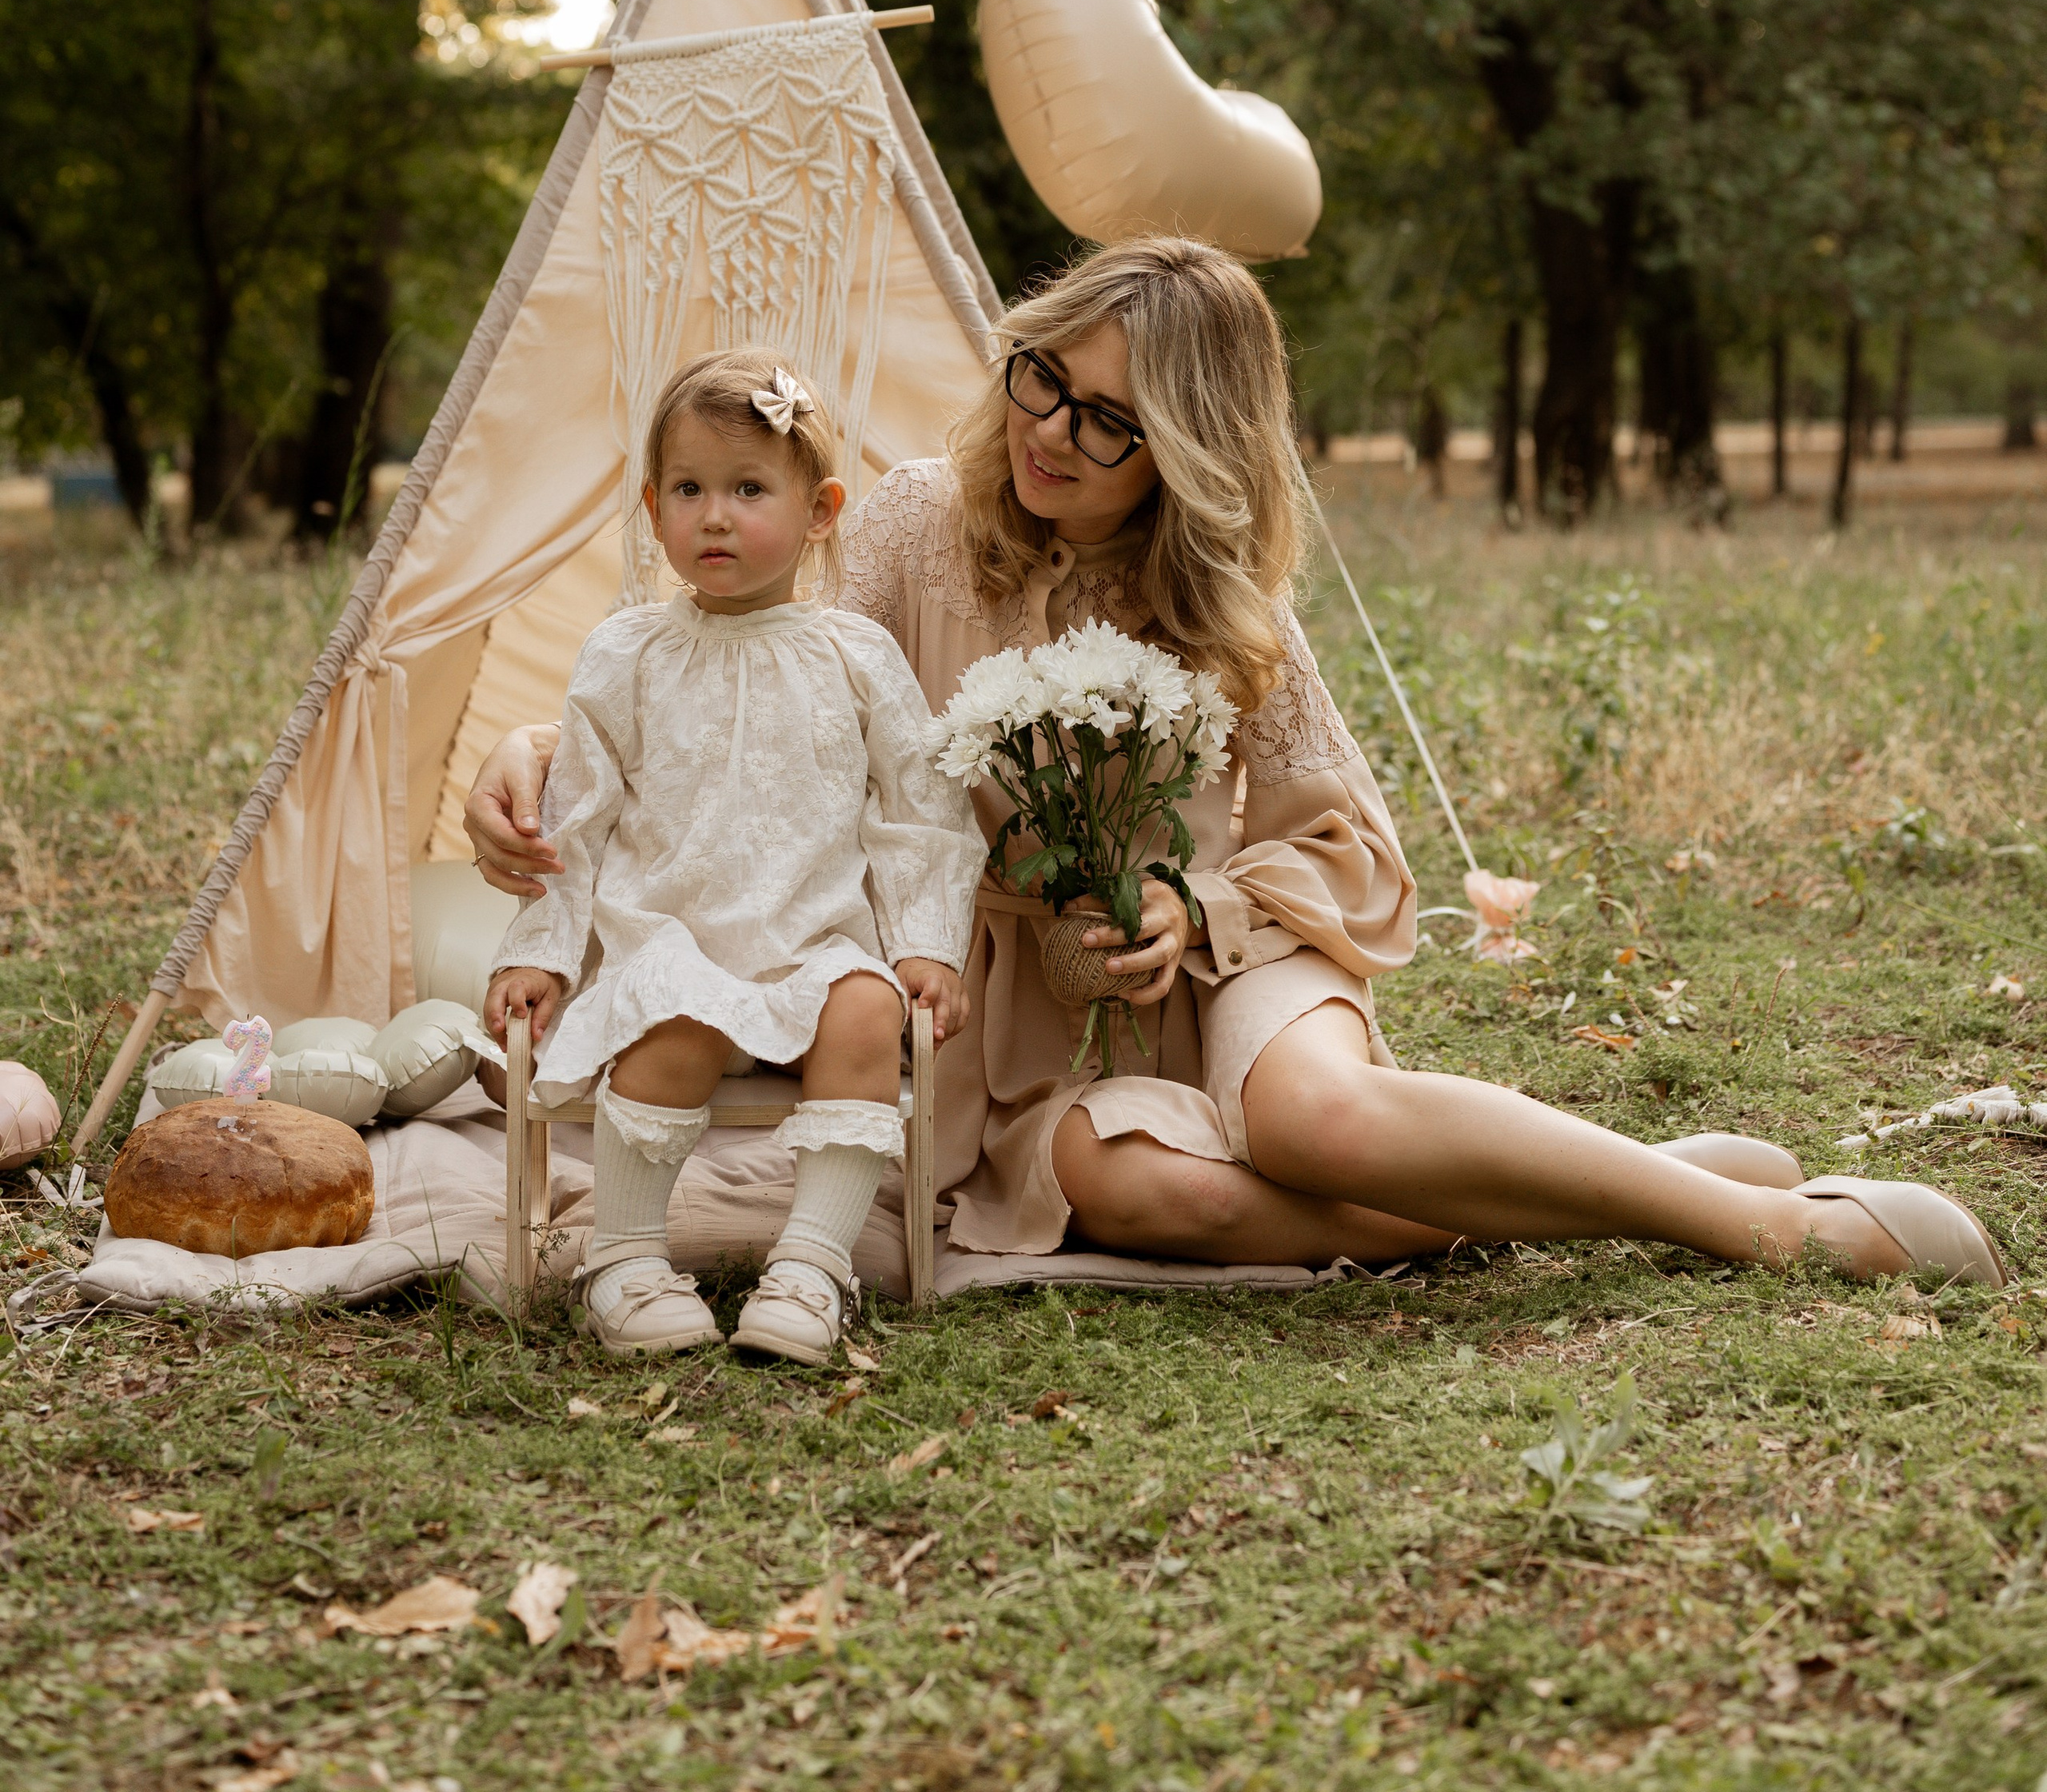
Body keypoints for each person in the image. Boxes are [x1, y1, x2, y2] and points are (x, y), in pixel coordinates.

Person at [470, 242, 2005, 1295]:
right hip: (1031, 1013)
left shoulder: (1216, 603)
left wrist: (1190, 911)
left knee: (1308, 1126)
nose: (1054, 431)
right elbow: (744, 681)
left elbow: (1349, 848)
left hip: (1246, 953)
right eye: (1040, 377)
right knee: (1150, 1193)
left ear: (1187, 452)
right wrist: (542, 745)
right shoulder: (907, 527)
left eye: (1112, 422)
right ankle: (1619, 1181)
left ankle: (1758, 1225)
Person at [482, 349, 983, 1364]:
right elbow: (572, 817)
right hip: (673, 932)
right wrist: (537, 949)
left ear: (821, 509)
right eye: (688, 489)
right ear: (654, 507)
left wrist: (927, 941)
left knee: (867, 1007)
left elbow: (919, 810)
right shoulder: (626, 653)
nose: (715, 515)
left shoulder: (854, 654)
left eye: (749, 488)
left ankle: (810, 1263)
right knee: (671, 1019)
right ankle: (620, 1257)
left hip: (814, 935)